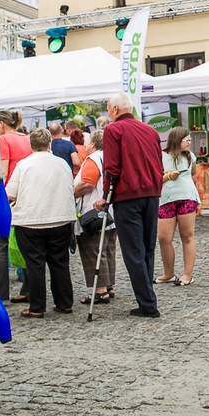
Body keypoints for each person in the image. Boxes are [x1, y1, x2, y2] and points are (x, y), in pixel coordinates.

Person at [94, 92, 164, 318]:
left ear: (114, 109)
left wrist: (106, 197)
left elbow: (112, 168)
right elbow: (158, 164)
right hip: (151, 194)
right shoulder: (150, 130)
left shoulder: (113, 130)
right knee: (147, 249)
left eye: (108, 108)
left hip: (127, 196)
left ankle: (148, 304)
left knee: (134, 252)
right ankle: (147, 300)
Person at [6, 128, 76, 318]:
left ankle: (37, 307)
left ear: (31, 145)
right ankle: (64, 302)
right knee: (59, 262)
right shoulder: (62, 164)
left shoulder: (23, 165)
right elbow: (70, 187)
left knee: (34, 264)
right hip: (60, 218)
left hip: (31, 221)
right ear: (49, 144)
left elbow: (9, 194)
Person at [0, 110, 32, 304]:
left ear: (1, 124)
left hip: (8, 198)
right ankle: (28, 288)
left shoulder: (3, 140)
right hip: (27, 196)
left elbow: (2, 173)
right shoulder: (27, 138)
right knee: (26, 245)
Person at [74, 130, 117, 305]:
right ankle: (108, 286)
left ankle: (99, 291)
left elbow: (88, 184)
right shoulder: (109, 156)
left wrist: (71, 191)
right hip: (109, 210)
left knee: (93, 249)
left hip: (93, 210)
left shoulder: (93, 159)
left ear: (92, 144)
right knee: (107, 248)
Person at [156, 127, 200, 286]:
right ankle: (169, 273)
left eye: (190, 140)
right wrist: (168, 176)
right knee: (163, 238)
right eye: (186, 140)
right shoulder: (160, 156)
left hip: (187, 199)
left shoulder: (190, 156)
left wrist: (195, 196)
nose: (189, 143)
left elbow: (193, 175)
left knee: (187, 236)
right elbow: (154, 180)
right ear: (176, 140)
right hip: (166, 200)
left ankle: (187, 275)